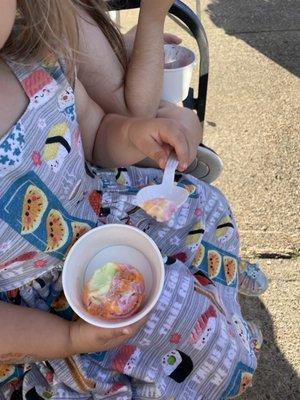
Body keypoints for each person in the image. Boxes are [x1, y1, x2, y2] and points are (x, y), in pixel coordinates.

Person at [0, 0, 264, 399]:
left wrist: (134, 136)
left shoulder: (33, 55)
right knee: (193, 336)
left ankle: (227, 305)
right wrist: (71, 338)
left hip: (107, 211)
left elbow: (96, 131)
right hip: (50, 321)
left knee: (207, 209)